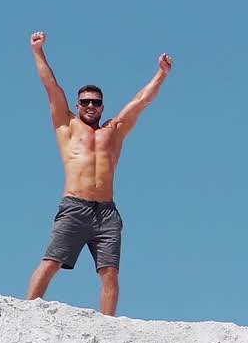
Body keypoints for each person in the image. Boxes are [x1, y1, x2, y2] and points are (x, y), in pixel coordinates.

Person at [26, 32, 173, 315]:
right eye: (85, 102)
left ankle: (108, 326)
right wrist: (38, 51)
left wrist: (161, 74)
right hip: (75, 205)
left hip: (106, 211)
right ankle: (26, 313)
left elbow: (141, 102)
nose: (90, 106)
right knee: (51, 262)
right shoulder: (66, 124)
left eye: (95, 102)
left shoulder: (113, 131)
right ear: (78, 105)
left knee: (109, 273)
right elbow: (50, 85)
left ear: (102, 106)